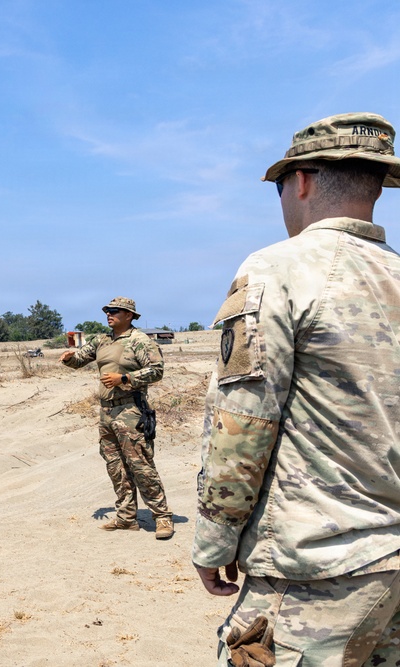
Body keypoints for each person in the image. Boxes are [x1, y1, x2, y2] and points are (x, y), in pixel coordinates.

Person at [193, 112, 400, 666]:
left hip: (315, 566)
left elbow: (244, 422)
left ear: (301, 181)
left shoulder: (277, 269)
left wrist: (215, 539)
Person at [59, 297, 173, 540]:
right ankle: (126, 517)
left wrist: (125, 379)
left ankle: (162, 517)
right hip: (107, 411)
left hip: (131, 410)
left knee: (141, 466)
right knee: (115, 466)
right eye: (107, 311)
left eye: (114, 311)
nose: (108, 315)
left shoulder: (139, 341)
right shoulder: (102, 340)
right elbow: (80, 360)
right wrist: (70, 358)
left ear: (129, 315)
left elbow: (157, 370)